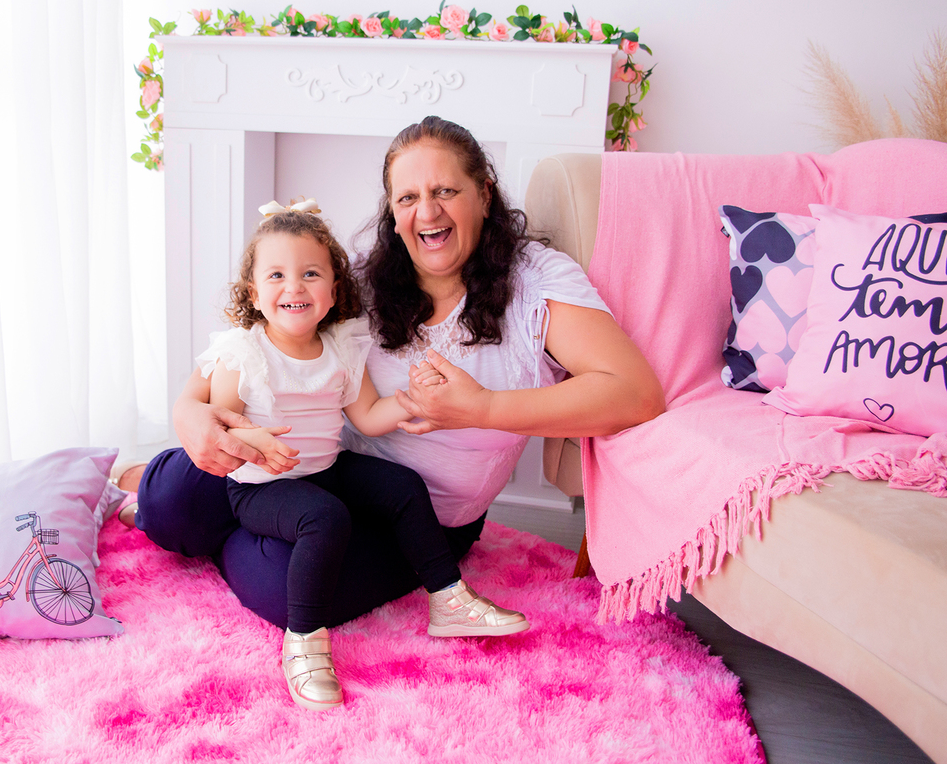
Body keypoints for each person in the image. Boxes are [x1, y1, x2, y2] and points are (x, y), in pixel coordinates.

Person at [114, 116, 664, 651]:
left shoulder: (535, 284)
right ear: (394, 214)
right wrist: (188, 408)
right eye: (407, 198)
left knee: (294, 592)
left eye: (446, 189)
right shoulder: (356, 283)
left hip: (415, 518)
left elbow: (634, 393)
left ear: (485, 195)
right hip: (306, 464)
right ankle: (159, 485)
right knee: (172, 500)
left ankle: (231, 527)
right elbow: (251, 340)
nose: (427, 211)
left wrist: (482, 407)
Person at [192, 200, 526, 711]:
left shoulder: (341, 345)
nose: (294, 287)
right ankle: (304, 642)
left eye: (310, 274)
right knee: (324, 518)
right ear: (254, 293)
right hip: (261, 484)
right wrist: (257, 442)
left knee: (402, 485)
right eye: (276, 275)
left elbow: (367, 415)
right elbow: (226, 429)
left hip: (325, 468)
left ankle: (449, 599)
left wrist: (415, 400)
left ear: (333, 290)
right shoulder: (243, 353)